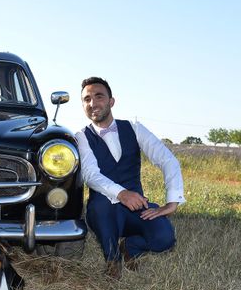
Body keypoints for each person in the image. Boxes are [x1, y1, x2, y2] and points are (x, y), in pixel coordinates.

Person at [76, 77, 185, 279]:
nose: (92, 103)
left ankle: (131, 247)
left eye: (99, 96)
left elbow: (168, 160)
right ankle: (112, 260)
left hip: (135, 209)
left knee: (165, 239)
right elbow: (90, 174)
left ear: (111, 101)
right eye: (86, 99)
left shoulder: (134, 128)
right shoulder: (81, 137)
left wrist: (172, 201)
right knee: (101, 205)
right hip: (104, 211)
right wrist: (122, 193)